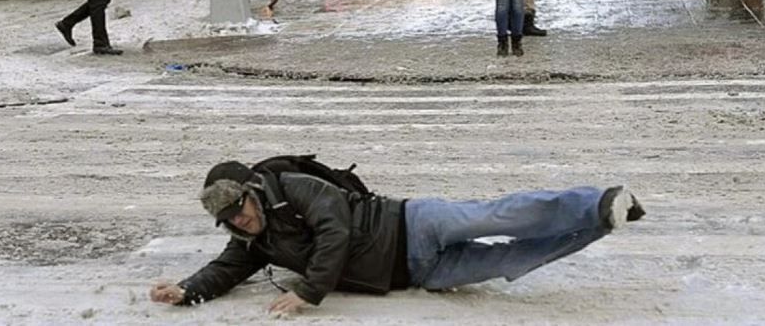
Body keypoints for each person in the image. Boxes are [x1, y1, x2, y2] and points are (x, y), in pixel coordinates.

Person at [149, 160, 645, 313]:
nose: (240, 222)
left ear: (251, 193)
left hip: (412, 223)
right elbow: (226, 268)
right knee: (512, 261)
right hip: (417, 273)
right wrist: (189, 289)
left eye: (240, 211)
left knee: (499, 218)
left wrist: (307, 291)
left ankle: (595, 200)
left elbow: (335, 232)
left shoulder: (294, 189)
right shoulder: (252, 241)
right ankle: (602, 224)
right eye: (231, 221)